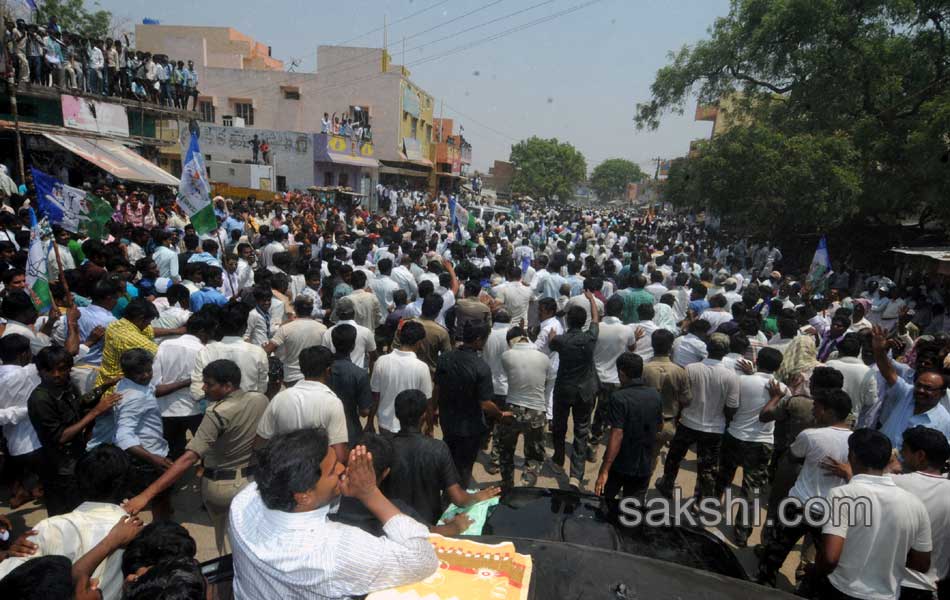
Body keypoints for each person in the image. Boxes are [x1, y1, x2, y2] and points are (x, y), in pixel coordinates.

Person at [228, 429, 439, 598]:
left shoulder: (242, 503)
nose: (343, 468)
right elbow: (422, 559)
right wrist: (371, 493)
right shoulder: (333, 549)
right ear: (304, 496)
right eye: (333, 471)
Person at [123, 359, 268, 556]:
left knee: (227, 544)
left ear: (227, 386)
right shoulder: (260, 400)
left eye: (209, 384)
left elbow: (188, 459)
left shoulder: (216, 413)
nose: (204, 388)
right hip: (251, 482)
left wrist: (145, 495)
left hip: (222, 487)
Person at [0, 445, 133, 600]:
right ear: (127, 485)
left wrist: (9, 555)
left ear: (77, 483)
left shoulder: (48, 528)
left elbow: (8, 582)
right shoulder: (138, 532)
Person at [816, 429, 932, 600]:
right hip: (887, 595)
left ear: (852, 456)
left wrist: (814, 572)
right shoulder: (915, 504)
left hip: (842, 589)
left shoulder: (842, 494)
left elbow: (830, 558)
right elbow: (922, 564)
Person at [756, 389, 853, 586]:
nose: (813, 413)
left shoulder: (810, 436)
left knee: (776, 551)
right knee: (823, 556)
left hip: (799, 504)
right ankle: (808, 585)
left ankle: (765, 582)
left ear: (828, 411)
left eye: (816, 408)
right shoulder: (856, 441)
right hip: (829, 511)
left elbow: (793, 456)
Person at [28, 346, 120, 515]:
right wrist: (96, 411)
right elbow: (61, 437)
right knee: (64, 512)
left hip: (76, 458)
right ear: (40, 371)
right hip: (59, 467)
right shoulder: (41, 399)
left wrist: (104, 387)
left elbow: (80, 404)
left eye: (61, 369)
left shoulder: (67, 386)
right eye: (49, 370)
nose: (56, 374)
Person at [386, 390, 500, 524]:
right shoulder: (438, 449)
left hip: (392, 523)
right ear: (424, 415)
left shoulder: (385, 447)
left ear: (397, 415)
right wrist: (478, 496)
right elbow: (458, 498)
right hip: (428, 525)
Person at [656, 333, 739, 502]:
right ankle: (699, 500)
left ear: (707, 348)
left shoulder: (691, 369)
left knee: (674, 457)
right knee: (707, 468)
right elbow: (731, 408)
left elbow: (682, 397)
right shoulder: (731, 376)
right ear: (726, 352)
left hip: (687, 422)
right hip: (714, 428)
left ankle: (667, 485)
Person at [716, 347, 786, 547]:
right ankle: (742, 533)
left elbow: (730, 406)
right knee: (751, 489)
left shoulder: (741, 380)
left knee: (723, 477)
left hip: (734, 436)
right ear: (778, 367)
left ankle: (708, 512)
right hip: (761, 443)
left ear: (756, 361)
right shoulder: (782, 389)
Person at [436, 321, 509, 487]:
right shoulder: (481, 367)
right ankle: (457, 497)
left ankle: (446, 489)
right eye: (484, 339)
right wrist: (500, 415)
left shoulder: (445, 358)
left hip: (447, 421)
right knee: (464, 467)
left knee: (450, 459)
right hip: (469, 427)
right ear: (477, 340)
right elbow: (485, 404)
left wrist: (433, 410)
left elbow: (437, 388)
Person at [256, 346, 349, 464]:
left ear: (301, 369)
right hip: (317, 474)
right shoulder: (333, 403)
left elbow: (260, 444)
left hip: (285, 472)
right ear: (328, 371)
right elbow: (339, 455)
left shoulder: (280, 399)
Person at [594, 352, 663, 502]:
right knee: (632, 512)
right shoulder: (655, 395)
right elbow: (659, 427)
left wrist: (605, 469)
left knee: (606, 505)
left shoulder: (619, 397)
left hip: (621, 464)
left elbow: (617, 434)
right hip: (644, 465)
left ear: (621, 373)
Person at [549, 292, 601, 489]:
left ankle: (558, 459)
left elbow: (551, 343)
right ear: (583, 322)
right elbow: (595, 319)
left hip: (564, 389)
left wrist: (553, 336)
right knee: (581, 431)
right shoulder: (590, 338)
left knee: (560, 427)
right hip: (585, 391)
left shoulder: (561, 341)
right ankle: (576, 475)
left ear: (568, 321)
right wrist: (592, 300)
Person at [870, 324, 950, 451]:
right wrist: (879, 349)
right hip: (877, 456)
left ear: (941, 393)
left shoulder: (944, 421)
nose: (921, 391)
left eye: (928, 388)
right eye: (919, 385)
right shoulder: (907, 393)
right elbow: (887, 371)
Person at [497, 326, 554, 489]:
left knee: (506, 449)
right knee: (534, 454)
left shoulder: (507, 356)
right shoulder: (544, 358)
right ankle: (526, 485)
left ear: (511, 342)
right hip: (536, 410)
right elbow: (547, 381)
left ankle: (507, 484)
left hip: (512, 407)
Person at [152, 311, 213, 460]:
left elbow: (154, 384)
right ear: (203, 332)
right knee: (206, 451)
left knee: (170, 452)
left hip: (164, 410)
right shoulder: (204, 351)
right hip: (194, 410)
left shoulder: (165, 345)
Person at [0, 334, 43, 508]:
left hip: (11, 437)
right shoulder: (28, 373)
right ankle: (27, 490)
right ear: (24, 354)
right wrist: (27, 410)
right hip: (34, 436)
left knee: (17, 465)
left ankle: (21, 490)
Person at [190, 302, 269, 397]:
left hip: (215, 408)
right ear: (245, 328)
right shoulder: (258, 353)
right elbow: (262, 389)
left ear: (219, 326)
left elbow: (196, 390)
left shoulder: (206, 351)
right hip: (247, 407)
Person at [369, 320, 432, 434]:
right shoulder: (422, 367)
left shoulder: (381, 362)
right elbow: (427, 402)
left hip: (385, 425)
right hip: (411, 429)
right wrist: (430, 427)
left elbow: (375, 397)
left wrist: (369, 422)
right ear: (419, 343)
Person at [262, 295, 327, 386]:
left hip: (291, 377)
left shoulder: (285, 329)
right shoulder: (323, 329)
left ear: (295, 309)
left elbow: (267, 350)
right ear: (311, 310)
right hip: (315, 377)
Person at [327, 324, 373, 443]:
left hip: (325, 430)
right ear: (353, 346)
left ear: (333, 343)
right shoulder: (360, 374)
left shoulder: (323, 370)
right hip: (350, 430)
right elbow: (365, 412)